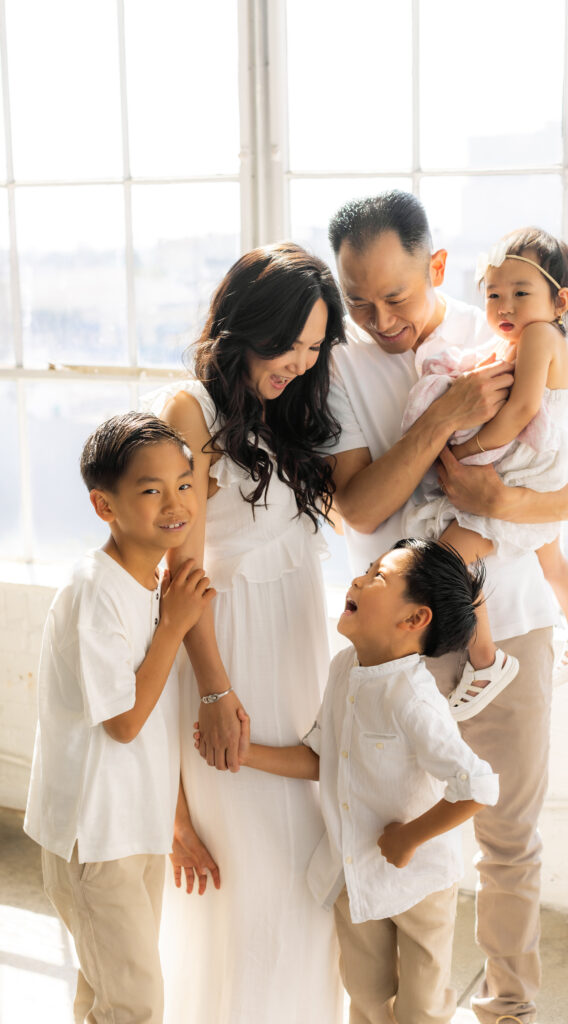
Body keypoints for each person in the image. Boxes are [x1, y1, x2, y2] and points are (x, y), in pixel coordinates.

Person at [325, 191, 568, 1024]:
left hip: (510, 626)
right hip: (395, 645)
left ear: (438, 269)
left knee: (507, 835)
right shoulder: (335, 363)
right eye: (357, 299)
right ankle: (401, 1011)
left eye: (397, 297)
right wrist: (446, 417)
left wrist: (495, 500)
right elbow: (362, 506)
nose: (379, 319)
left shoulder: (509, 325)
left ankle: (508, 1005)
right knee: (396, 832)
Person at [151, 243, 345, 1022]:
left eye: (313, 348)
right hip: (230, 662)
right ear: (246, 325)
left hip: (298, 661)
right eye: (288, 342)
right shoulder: (188, 409)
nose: (299, 362)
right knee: (248, 886)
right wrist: (215, 691)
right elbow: (182, 574)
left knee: (304, 877)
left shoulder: (284, 412)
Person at [235, 538, 500, 1024]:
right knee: (367, 996)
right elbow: (321, 757)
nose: (359, 577)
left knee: (422, 1008)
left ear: (415, 619)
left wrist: (409, 836)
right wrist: (244, 754)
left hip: (419, 881)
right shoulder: (344, 670)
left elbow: (478, 787)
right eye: (369, 568)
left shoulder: (414, 700)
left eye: (379, 576)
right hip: (355, 873)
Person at [23, 413, 217, 1024]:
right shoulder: (94, 589)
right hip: (94, 835)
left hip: (133, 827)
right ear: (104, 505)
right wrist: (174, 626)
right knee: (134, 1003)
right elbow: (124, 722)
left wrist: (175, 821)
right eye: (150, 489)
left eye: (184, 484)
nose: (174, 502)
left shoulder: (148, 582)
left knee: (107, 991)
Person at [401, 226, 568, 700]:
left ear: (560, 302)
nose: (505, 306)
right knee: (551, 560)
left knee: (449, 557)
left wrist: (466, 453)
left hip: (529, 465)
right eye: (494, 294)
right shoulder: (531, 336)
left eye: (520, 292)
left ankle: (485, 662)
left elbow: (519, 412)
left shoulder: (538, 335)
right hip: (541, 459)